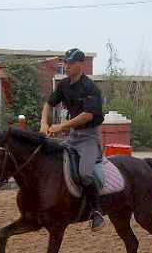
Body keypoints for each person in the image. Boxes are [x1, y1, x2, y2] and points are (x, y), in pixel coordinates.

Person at [40, 48, 106, 231]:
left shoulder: (90, 88)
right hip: (73, 136)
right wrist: (43, 124)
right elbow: (48, 103)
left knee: (85, 173)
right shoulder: (64, 85)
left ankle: (96, 211)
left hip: (89, 137)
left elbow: (87, 115)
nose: (66, 66)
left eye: (70, 63)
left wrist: (62, 126)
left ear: (80, 64)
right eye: (65, 63)